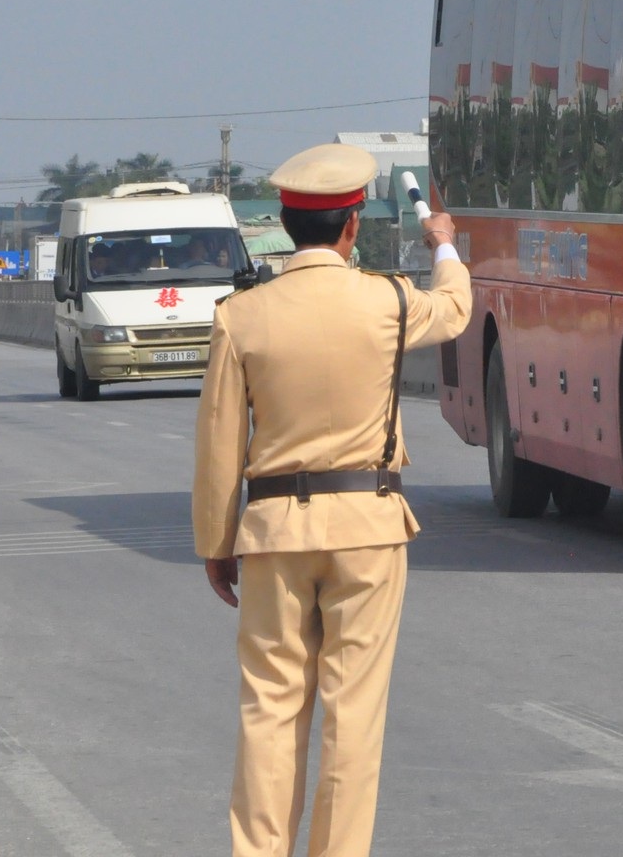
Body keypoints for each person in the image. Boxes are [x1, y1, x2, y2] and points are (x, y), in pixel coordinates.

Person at [193, 143, 471, 857]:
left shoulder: (241, 316)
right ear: (352, 227)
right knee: (353, 717)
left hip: (273, 533)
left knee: (269, 710)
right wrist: (442, 246)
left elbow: (221, 443)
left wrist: (216, 545)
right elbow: (457, 309)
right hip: (368, 528)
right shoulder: (386, 301)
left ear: (286, 225)